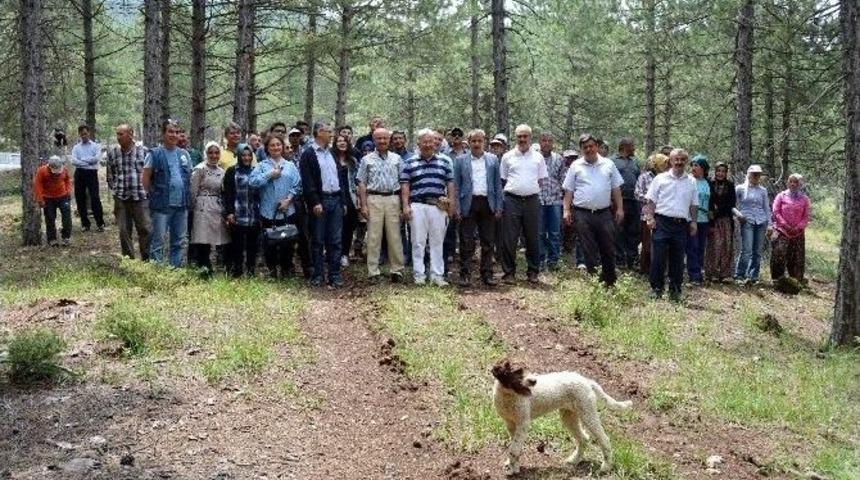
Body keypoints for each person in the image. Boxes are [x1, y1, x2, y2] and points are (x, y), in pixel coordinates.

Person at [562, 133, 624, 286]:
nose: (589, 149)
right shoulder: (576, 166)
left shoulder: (608, 164)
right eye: (585, 147)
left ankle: (609, 282)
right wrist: (566, 210)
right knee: (588, 249)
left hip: (604, 213)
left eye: (591, 146)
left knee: (608, 247)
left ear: (597, 146)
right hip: (582, 213)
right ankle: (594, 283)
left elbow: (616, 189)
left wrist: (620, 208)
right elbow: (568, 191)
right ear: (581, 149)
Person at [400, 128, 456, 286]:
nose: (428, 144)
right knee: (418, 242)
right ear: (418, 143)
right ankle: (419, 275)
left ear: (436, 143)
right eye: (424, 141)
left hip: (438, 206)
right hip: (417, 205)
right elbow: (405, 185)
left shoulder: (444, 161)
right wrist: (405, 206)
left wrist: (451, 205)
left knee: (437, 242)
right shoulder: (410, 162)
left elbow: (450, 184)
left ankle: (437, 275)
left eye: (431, 141)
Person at [644, 148, 698, 301]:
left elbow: (694, 204)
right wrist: (650, 217)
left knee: (678, 259)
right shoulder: (660, 179)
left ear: (685, 162)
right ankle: (656, 289)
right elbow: (651, 200)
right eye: (676, 159)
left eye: (682, 160)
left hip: (681, 225)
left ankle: (675, 290)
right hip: (661, 222)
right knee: (658, 258)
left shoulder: (691, 181)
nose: (679, 162)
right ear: (671, 161)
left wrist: (693, 222)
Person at [299, 121, 348, 287]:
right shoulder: (308, 154)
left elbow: (340, 178)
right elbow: (308, 181)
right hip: (320, 201)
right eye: (328, 131)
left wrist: (343, 201)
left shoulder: (332, 153)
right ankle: (318, 275)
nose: (331, 134)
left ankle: (334, 275)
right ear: (319, 132)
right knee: (318, 240)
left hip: (336, 200)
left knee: (335, 240)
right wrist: (314, 202)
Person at [453, 129, 503, 286]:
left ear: (484, 142)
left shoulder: (493, 160)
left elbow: (497, 184)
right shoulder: (460, 160)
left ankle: (487, 273)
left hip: (488, 203)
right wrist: (457, 207)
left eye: (479, 141)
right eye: (473, 141)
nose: (476, 144)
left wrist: (499, 206)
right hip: (468, 202)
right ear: (468, 142)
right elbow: (456, 185)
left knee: (488, 241)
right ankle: (465, 274)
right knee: (466, 240)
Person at [499, 125, 548, 284]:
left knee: (532, 237)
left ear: (530, 138)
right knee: (509, 238)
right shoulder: (507, 156)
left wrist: (528, 190)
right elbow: (503, 179)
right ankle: (509, 273)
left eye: (525, 136)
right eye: (519, 136)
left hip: (532, 200)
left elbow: (541, 180)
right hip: (511, 200)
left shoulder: (538, 157)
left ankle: (533, 271)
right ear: (515, 137)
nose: (522, 139)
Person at [250, 134, 302, 279]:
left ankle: (286, 270)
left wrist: (288, 200)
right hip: (268, 211)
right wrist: (269, 175)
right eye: (272, 145)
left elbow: (298, 186)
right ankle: (272, 271)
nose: (276, 148)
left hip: (287, 210)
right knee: (270, 243)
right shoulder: (261, 166)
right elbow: (252, 182)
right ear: (267, 148)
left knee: (288, 242)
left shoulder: (290, 166)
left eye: (278, 145)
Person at [357, 128, 405, 282]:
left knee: (394, 236)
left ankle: (397, 270)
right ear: (374, 140)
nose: (382, 141)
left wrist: (404, 204)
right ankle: (373, 271)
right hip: (374, 199)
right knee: (373, 236)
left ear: (389, 139)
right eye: (379, 139)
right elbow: (362, 183)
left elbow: (404, 182)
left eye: (385, 138)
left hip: (393, 199)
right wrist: (363, 205)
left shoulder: (397, 159)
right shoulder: (366, 159)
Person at [142, 120, 192, 267]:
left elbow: (188, 176)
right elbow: (145, 178)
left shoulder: (184, 154)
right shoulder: (154, 154)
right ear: (163, 134)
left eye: (176, 132)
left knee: (179, 241)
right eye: (170, 131)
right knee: (158, 241)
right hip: (161, 206)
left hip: (181, 205)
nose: (174, 135)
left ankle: (174, 272)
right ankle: (157, 274)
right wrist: (153, 194)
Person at [106, 124, 151, 260]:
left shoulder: (144, 151)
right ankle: (129, 261)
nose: (118, 137)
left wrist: (147, 190)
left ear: (131, 134)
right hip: (121, 199)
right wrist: (116, 189)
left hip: (141, 197)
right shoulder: (113, 153)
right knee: (124, 231)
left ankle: (147, 260)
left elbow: (150, 174)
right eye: (117, 134)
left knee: (145, 229)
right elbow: (110, 175)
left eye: (121, 134)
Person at [188, 142, 230, 275]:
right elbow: (193, 191)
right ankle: (204, 269)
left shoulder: (221, 171)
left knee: (215, 238)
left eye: (216, 152)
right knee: (202, 239)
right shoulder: (199, 169)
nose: (214, 155)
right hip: (202, 206)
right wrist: (193, 208)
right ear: (206, 154)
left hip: (216, 207)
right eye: (211, 152)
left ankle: (217, 266)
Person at [223, 143, 261, 278]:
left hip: (253, 214)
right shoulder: (232, 171)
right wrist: (229, 212)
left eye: (249, 155)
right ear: (239, 156)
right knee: (237, 245)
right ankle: (237, 271)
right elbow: (227, 194)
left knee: (252, 246)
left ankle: (251, 271)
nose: (246, 158)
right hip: (238, 214)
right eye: (243, 155)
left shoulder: (256, 170)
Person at [733, 165, 772, 284]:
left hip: (761, 221)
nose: (756, 176)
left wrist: (770, 224)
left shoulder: (763, 190)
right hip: (747, 220)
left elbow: (766, 208)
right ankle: (739, 274)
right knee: (747, 249)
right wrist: (738, 215)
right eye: (754, 173)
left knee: (758, 250)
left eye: (758, 174)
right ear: (748, 174)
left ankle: (753, 275)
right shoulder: (740, 188)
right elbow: (731, 204)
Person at [770, 173, 810, 282]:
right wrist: (785, 225)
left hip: (798, 232)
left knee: (797, 258)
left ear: (800, 184)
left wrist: (799, 227)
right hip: (782, 230)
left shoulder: (804, 199)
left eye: (795, 182)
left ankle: (796, 281)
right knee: (779, 253)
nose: (793, 184)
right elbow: (776, 212)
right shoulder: (781, 196)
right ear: (787, 183)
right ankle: (777, 280)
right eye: (791, 181)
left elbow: (806, 216)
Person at [635, 153, 669, 274]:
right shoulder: (644, 177)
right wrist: (650, 199)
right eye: (664, 163)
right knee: (647, 244)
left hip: (662, 214)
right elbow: (637, 193)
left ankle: (659, 269)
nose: (667, 166)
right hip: (647, 214)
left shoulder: (667, 177)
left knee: (661, 243)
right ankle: (645, 269)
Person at [537, 131, 566, 272]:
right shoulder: (535, 158)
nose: (546, 143)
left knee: (554, 232)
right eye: (544, 140)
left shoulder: (559, 159)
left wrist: (561, 194)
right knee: (540, 232)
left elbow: (563, 179)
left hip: (554, 200)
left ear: (552, 142)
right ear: (540, 141)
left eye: (549, 140)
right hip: (539, 199)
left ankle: (553, 261)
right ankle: (541, 259)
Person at [704, 161, 736, 282]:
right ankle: (712, 273)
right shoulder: (710, 184)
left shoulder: (730, 185)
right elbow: (709, 201)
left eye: (723, 171)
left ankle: (725, 273)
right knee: (714, 245)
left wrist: (718, 210)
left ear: (726, 173)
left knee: (726, 245)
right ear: (715, 171)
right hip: (713, 220)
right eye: (718, 171)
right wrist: (713, 211)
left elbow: (731, 203)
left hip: (726, 219)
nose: (720, 173)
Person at [612, 138, 641, 269]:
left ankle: (632, 260)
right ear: (624, 147)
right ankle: (619, 260)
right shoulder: (612, 161)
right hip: (618, 201)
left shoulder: (634, 162)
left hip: (634, 202)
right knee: (618, 231)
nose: (634, 148)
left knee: (633, 231)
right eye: (632, 146)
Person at [70, 124, 105, 232]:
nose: (84, 136)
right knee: (80, 198)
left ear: (89, 133)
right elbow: (73, 161)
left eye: (85, 133)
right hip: (79, 173)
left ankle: (100, 223)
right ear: (79, 135)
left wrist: (82, 161)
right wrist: (87, 162)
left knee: (95, 198)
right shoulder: (76, 147)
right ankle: (85, 224)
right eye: (82, 134)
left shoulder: (95, 146)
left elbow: (96, 159)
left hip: (91, 174)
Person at [333, 133, 360, 268]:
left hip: (350, 196)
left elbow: (357, 180)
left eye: (344, 141)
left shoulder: (353, 161)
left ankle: (344, 254)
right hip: (335, 195)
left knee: (349, 226)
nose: (342, 143)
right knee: (335, 227)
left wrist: (359, 198)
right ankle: (333, 253)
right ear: (335, 143)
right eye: (339, 141)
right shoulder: (330, 159)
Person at [34, 156, 72, 247]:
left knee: (67, 217)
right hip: (48, 198)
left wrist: (68, 191)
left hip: (63, 196)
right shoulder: (42, 171)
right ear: (50, 167)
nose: (57, 173)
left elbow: (67, 180)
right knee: (50, 218)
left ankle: (66, 237)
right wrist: (40, 199)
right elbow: (37, 185)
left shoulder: (64, 170)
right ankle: (52, 239)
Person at [685, 155, 712, 286]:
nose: (693, 168)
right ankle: (693, 275)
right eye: (693, 165)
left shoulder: (708, 183)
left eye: (697, 165)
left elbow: (712, 202)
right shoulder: (689, 181)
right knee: (692, 247)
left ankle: (700, 272)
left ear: (703, 168)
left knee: (701, 247)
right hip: (691, 218)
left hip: (704, 220)